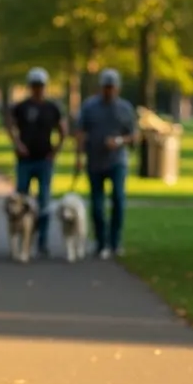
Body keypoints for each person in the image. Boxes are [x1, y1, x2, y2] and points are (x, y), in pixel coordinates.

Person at [75, 69, 136, 260]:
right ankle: (101, 243)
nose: (109, 91)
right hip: (95, 161)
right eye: (106, 87)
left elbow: (133, 135)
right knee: (98, 204)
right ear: (101, 88)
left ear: (117, 88)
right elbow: (80, 132)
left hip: (117, 161)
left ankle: (115, 242)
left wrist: (117, 141)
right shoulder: (90, 107)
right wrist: (79, 156)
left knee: (118, 199)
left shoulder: (125, 108)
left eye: (112, 87)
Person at [7, 67, 66, 257]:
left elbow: (63, 129)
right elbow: (10, 123)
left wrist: (55, 151)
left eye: (40, 86)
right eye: (34, 86)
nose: (37, 89)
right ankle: (19, 238)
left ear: (45, 86)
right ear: (30, 86)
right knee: (21, 201)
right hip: (25, 160)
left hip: (44, 160)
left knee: (44, 201)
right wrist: (17, 143)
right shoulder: (22, 107)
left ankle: (42, 242)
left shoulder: (52, 107)